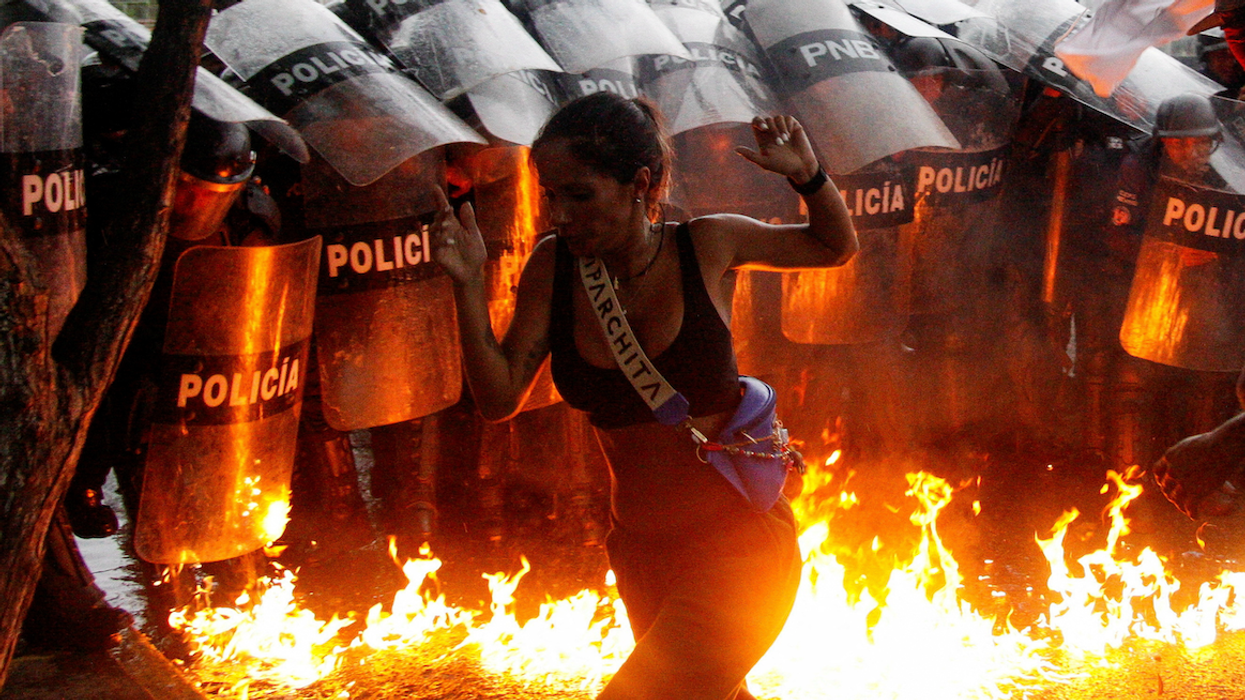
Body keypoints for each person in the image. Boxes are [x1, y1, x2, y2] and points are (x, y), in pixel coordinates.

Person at [430, 92, 857, 700]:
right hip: (641, 553)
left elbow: (832, 248)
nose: (559, 214)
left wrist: (809, 177)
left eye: (579, 195)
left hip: (738, 550)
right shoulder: (553, 267)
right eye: (551, 195)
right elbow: (499, 398)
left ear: (639, 184)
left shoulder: (707, 245)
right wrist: (467, 286)